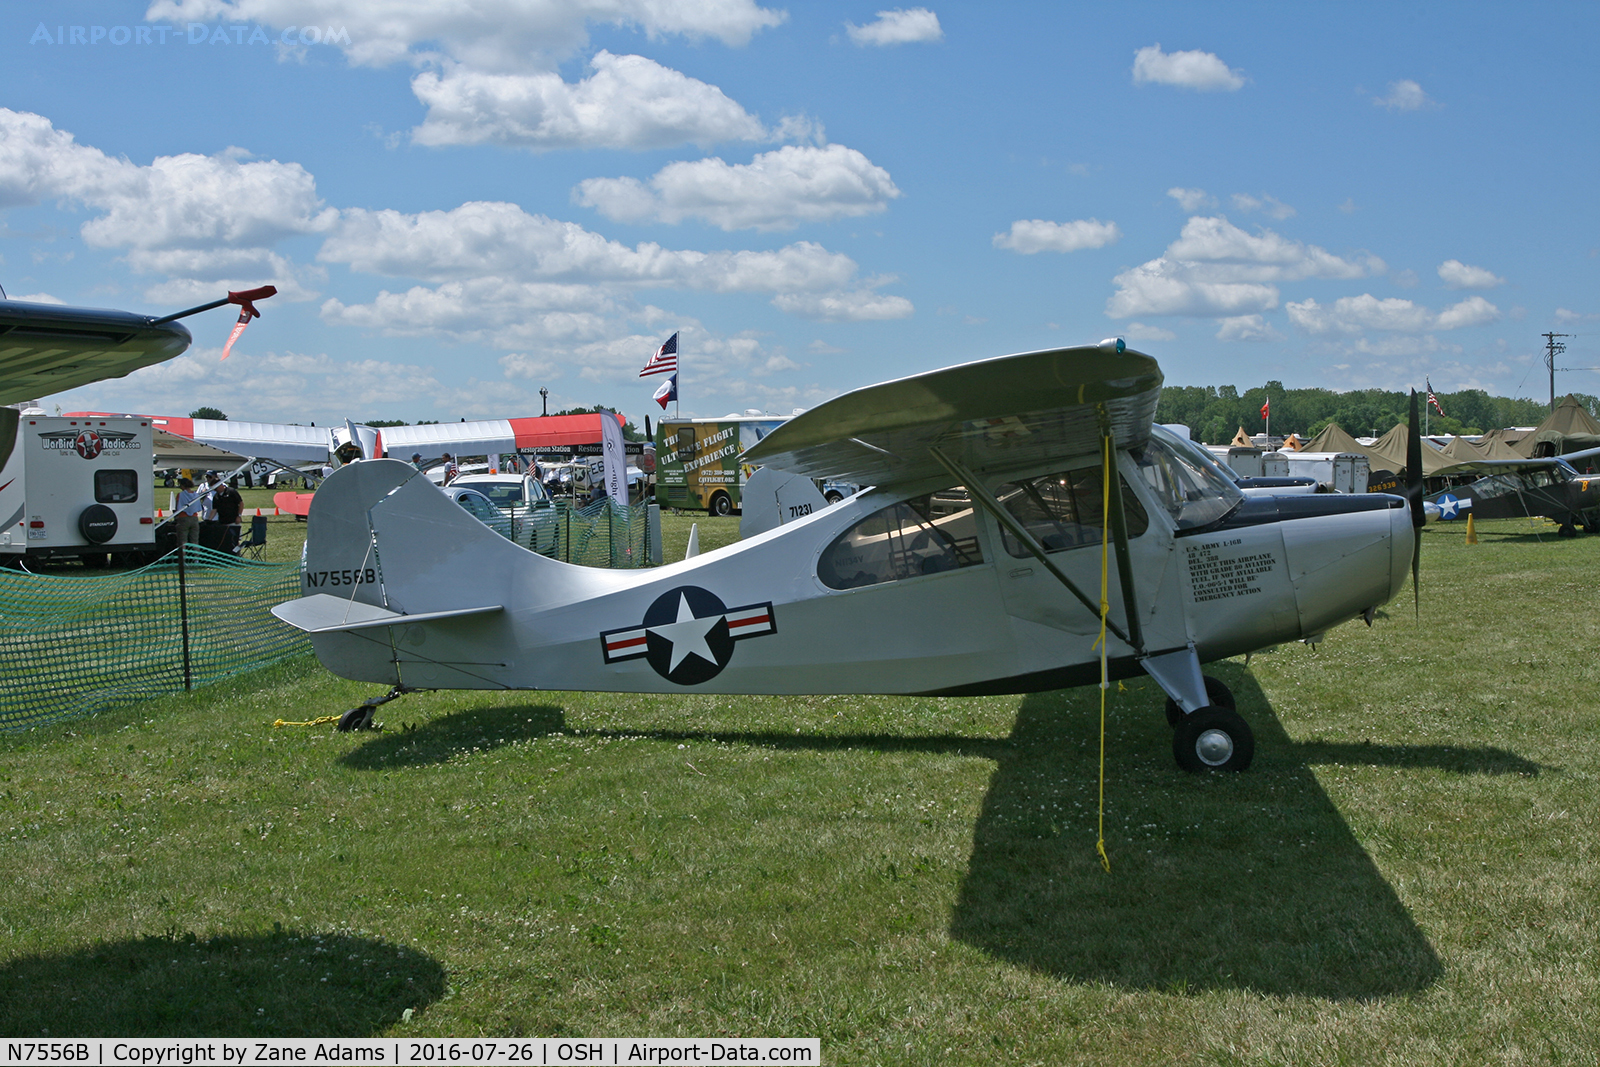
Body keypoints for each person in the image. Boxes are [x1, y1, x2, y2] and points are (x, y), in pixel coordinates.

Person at [212, 475, 244, 553]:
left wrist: (239, 516)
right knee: (226, 540)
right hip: (223, 522)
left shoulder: (231, 491)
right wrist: (209, 519)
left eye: (215, 487)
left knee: (235, 539)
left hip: (233, 520)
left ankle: (237, 555)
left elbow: (241, 503)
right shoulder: (216, 496)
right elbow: (214, 509)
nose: (215, 490)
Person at [173, 477, 202, 545]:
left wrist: (176, 517)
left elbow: (178, 507)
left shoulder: (180, 495)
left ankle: (183, 555)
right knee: (195, 541)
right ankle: (196, 554)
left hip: (183, 518)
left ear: (182, 485)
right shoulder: (195, 494)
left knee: (183, 541)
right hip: (194, 518)